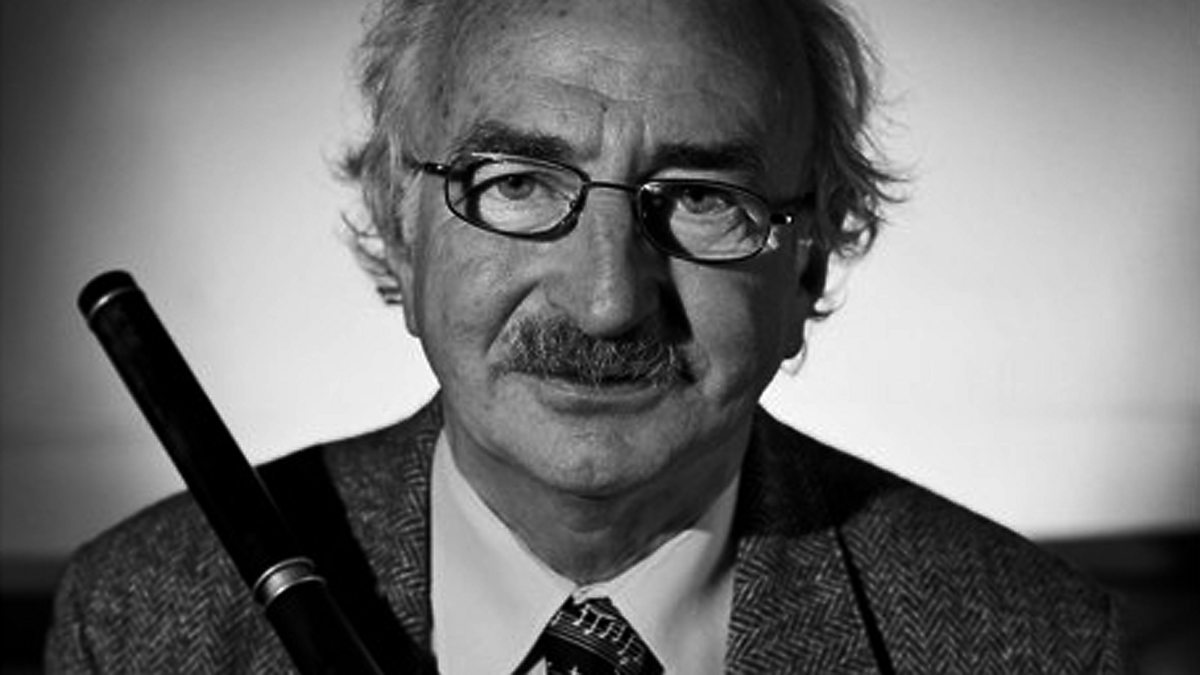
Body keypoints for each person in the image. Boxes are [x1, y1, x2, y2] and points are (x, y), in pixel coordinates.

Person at [46, 0, 1128, 672]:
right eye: (518, 183)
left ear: (808, 261)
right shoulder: (137, 622)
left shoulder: (1033, 645)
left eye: (701, 198)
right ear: (400, 231)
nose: (608, 300)